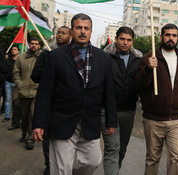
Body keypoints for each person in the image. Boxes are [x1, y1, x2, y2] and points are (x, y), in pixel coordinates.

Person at [32, 13, 117, 175]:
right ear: (72, 30)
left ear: (91, 31)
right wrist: (39, 123)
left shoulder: (103, 59)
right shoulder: (56, 56)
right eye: (78, 28)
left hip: (90, 121)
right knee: (61, 169)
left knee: (92, 161)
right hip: (61, 121)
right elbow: (44, 92)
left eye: (86, 28)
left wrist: (111, 120)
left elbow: (109, 92)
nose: (82, 32)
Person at [135, 23, 178, 175]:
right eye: (168, 35)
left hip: (176, 120)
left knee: (177, 159)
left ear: (177, 38)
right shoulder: (149, 58)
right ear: (161, 37)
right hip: (153, 120)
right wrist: (148, 68)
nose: (171, 38)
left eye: (174, 35)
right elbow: (139, 85)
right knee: (153, 159)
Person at [31, 26, 72, 175]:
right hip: (49, 102)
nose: (60, 35)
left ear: (70, 36)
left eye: (64, 33)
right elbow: (35, 76)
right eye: (58, 32)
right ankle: (49, 165)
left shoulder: (74, 54)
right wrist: (49, 67)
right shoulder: (46, 54)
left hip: (66, 104)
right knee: (47, 137)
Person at [102, 26, 142, 174]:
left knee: (122, 148)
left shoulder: (138, 59)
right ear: (116, 39)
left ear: (132, 42)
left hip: (129, 111)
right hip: (107, 110)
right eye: (122, 39)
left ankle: (115, 171)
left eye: (129, 40)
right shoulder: (104, 56)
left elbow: (142, 83)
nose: (125, 42)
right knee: (112, 147)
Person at [13, 37, 41, 150]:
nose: (34, 45)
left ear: (39, 46)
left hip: (36, 92)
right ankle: (24, 133)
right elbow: (16, 72)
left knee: (32, 115)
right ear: (29, 44)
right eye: (32, 43)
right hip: (23, 92)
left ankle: (30, 138)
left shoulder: (42, 58)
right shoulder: (21, 58)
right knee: (24, 116)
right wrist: (20, 84)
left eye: (36, 44)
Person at [3, 46, 20, 122]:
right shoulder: (8, 60)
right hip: (8, 82)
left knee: (16, 101)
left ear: (18, 51)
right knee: (8, 99)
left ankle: (17, 117)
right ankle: (7, 116)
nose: (13, 51)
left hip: (17, 83)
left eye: (15, 49)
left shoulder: (20, 60)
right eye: (12, 49)